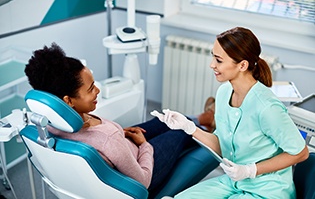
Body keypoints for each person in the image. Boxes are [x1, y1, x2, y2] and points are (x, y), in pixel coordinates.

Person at [24, 43, 216, 198]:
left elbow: (99, 141)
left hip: (119, 148)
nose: (97, 90)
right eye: (91, 88)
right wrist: (143, 146)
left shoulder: (48, 125)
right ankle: (211, 129)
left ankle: (204, 118)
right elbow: (143, 182)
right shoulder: (109, 138)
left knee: (164, 119)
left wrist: (118, 135)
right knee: (180, 130)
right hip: (141, 169)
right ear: (68, 100)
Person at [151, 27, 309, 198]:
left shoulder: (267, 107)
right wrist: (189, 128)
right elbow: (222, 145)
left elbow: (301, 152)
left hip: (267, 190)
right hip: (234, 182)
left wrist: (250, 170)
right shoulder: (224, 92)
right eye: (213, 56)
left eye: (218, 60)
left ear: (242, 65)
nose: (212, 64)